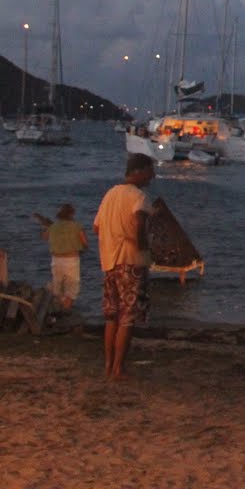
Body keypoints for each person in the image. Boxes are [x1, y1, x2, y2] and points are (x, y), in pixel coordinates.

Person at [93, 153, 156, 380]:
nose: (153, 175)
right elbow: (139, 222)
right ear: (139, 172)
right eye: (150, 171)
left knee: (112, 316)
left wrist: (112, 239)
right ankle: (119, 368)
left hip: (109, 262)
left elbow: (97, 227)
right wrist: (142, 250)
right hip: (130, 261)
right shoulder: (139, 196)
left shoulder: (110, 194)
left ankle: (109, 365)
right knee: (128, 318)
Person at [41, 204, 88, 311]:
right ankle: (66, 310)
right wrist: (83, 249)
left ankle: (59, 309)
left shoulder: (53, 227)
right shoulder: (76, 226)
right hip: (71, 259)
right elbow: (85, 242)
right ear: (72, 214)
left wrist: (48, 227)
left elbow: (44, 237)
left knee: (58, 288)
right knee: (72, 290)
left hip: (56, 260)